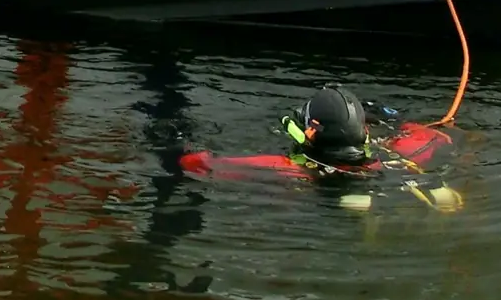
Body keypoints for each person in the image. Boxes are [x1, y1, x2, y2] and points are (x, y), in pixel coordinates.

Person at [179, 84, 460, 210]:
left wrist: (183, 139)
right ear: (364, 131)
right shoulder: (404, 154)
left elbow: (198, 164)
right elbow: (435, 135)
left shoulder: (289, 169)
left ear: (310, 132)